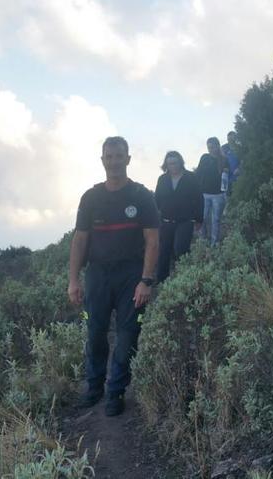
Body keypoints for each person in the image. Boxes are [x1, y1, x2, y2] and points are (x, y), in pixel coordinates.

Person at [68, 136, 159, 417]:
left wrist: (146, 281)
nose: (114, 161)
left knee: (128, 335)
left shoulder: (142, 196)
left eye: (119, 156)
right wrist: (73, 280)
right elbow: (79, 241)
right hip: (97, 274)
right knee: (95, 333)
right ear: (102, 160)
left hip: (131, 275)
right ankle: (94, 387)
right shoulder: (91, 197)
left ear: (128, 159)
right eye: (109, 156)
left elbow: (153, 241)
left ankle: (116, 391)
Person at [154, 151, 203, 283]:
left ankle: (184, 279)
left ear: (180, 163)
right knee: (164, 252)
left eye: (175, 163)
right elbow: (156, 199)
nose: (173, 166)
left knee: (181, 250)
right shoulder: (162, 179)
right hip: (166, 221)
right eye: (170, 164)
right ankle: (161, 282)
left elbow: (199, 198)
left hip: (185, 221)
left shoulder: (191, 177)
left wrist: (199, 219)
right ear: (166, 165)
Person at [196, 137, 229, 245]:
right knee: (203, 218)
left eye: (212, 147)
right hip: (204, 194)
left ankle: (214, 243)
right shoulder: (204, 158)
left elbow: (226, 177)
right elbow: (198, 173)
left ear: (217, 146)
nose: (210, 149)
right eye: (208, 147)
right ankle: (203, 240)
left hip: (218, 195)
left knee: (215, 220)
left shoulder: (224, 160)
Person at [220, 131, 240, 196]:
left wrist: (239, 168)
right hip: (226, 177)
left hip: (237, 176)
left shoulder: (239, 148)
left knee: (237, 195)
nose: (230, 141)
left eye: (232, 139)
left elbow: (243, 160)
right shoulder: (223, 148)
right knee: (226, 196)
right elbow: (219, 160)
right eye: (229, 139)